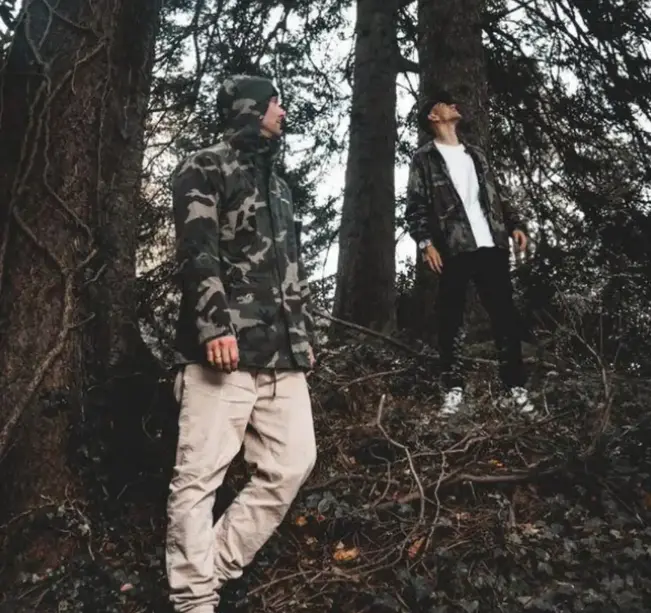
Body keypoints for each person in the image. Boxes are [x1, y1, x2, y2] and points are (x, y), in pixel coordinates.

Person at [166, 74, 318, 613]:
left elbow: (290, 269)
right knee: (198, 478)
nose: (283, 110)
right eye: (275, 101)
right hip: (222, 352)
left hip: (281, 356)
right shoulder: (204, 166)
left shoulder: (280, 186)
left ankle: (211, 570)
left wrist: (302, 337)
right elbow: (197, 251)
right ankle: (193, 602)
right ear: (251, 107)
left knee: (293, 462)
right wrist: (215, 326)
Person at [405, 89, 534, 417]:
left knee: (505, 316)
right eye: (445, 103)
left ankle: (515, 388)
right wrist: (425, 243)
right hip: (454, 247)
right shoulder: (424, 158)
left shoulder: (476, 154)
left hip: (491, 244)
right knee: (450, 320)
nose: (453, 105)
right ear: (433, 116)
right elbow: (416, 206)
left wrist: (515, 224)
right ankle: (453, 390)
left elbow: (496, 194)